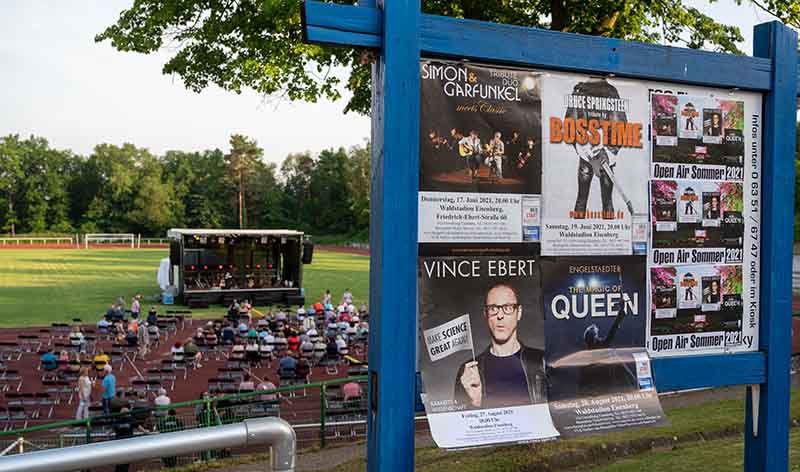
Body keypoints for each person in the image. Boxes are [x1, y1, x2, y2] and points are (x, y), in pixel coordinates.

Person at [454, 283, 546, 409]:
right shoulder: (469, 371)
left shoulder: (543, 362)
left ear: (518, 313)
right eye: (493, 308)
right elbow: (458, 425)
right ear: (486, 314)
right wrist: (475, 403)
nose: (500, 316)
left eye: (507, 307)